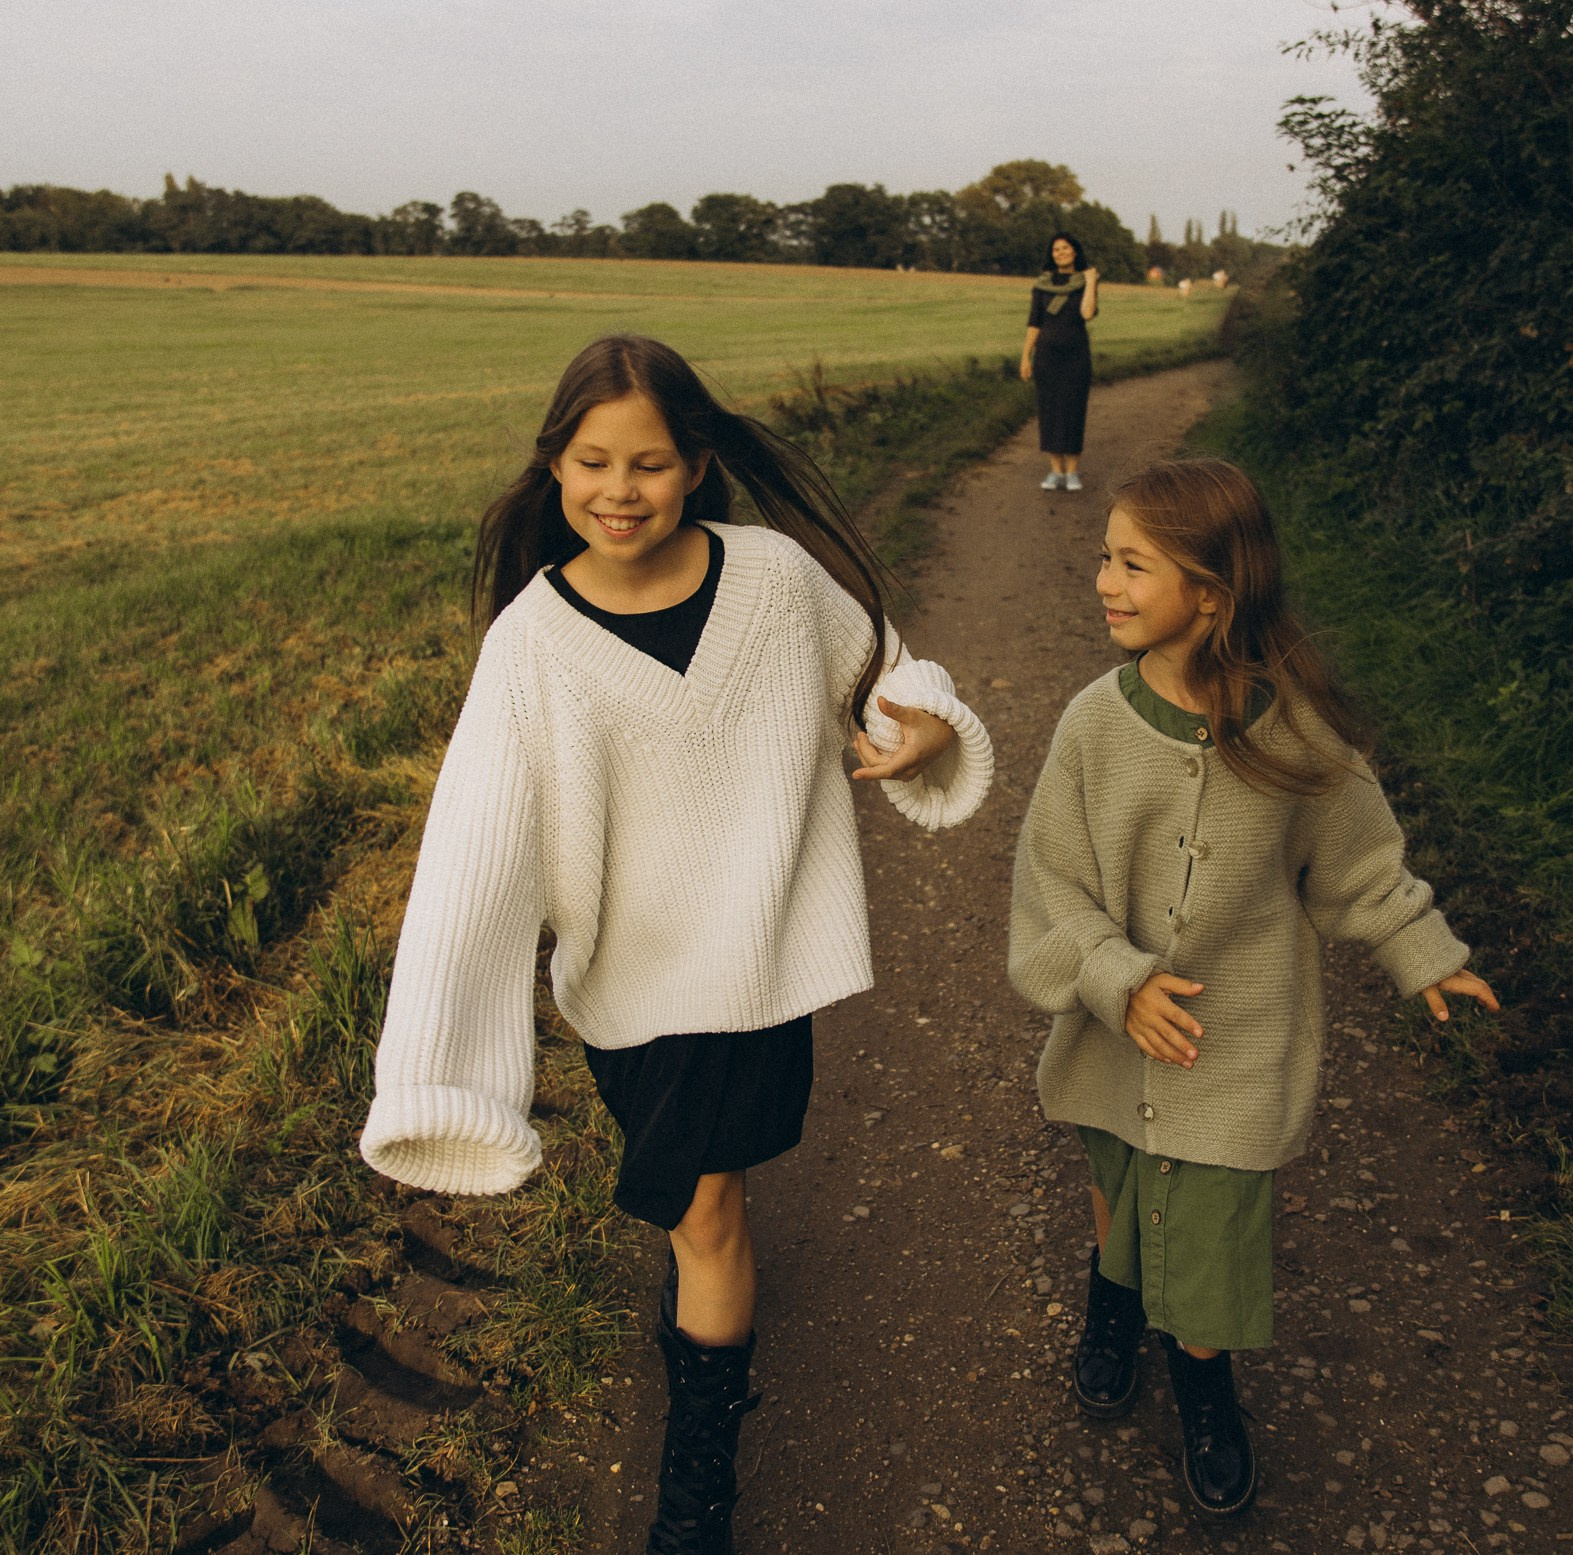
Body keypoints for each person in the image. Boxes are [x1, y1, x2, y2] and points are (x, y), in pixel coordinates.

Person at [361, 334, 994, 1554]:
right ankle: (711, 1291)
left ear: (697, 465)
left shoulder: (770, 578)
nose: (619, 489)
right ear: (553, 465)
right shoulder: (531, 644)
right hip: (626, 991)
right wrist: (439, 1071)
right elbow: (470, 858)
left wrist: (919, 725)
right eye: (592, 461)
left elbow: (886, 670)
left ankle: (697, 1490)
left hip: (756, 979)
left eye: (649, 463)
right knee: (703, 1210)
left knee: (704, 1215)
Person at [1006, 459, 1497, 1519]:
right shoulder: (1093, 725)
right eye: (1103, 556)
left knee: (1216, 1225)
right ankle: (1110, 1300)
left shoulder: (1296, 731)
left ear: (1213, 592)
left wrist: (1423, 948)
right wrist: (1113, 977)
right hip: (1110, 1035)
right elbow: (1053, 883)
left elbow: (1360, 859)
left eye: (1132, 564)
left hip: (1231, 1043)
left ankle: (1203, 1381)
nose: (1103, 580)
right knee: (1121, 1184)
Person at [1023, 232, 1099, 491]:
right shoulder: (1041, 285)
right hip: (1047, 356)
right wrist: (1026, 356)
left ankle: (1073, 471)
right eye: (1056, 250)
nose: (1061, 253)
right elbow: (1034, 323)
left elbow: (1087, 313)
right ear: (1051, 255)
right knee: (1049, 410)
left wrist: (1090, 282)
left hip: (1076, 356)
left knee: (1074, 409)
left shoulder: (1084, 282)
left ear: (1075, 252)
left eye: (1065, 248)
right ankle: (1056, 470)